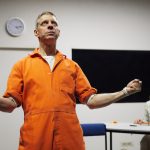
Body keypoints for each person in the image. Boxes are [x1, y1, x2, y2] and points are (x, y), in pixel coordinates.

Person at [0, 11, 142, 150]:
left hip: (69, 139)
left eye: (54, 23)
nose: (50, 26)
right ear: (36, 32)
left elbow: (91, 100)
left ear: (58, 32)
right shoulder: (22, 65)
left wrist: (125, 92)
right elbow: (10, 103)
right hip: (35, 140)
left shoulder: (72, 66)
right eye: (44, 23)